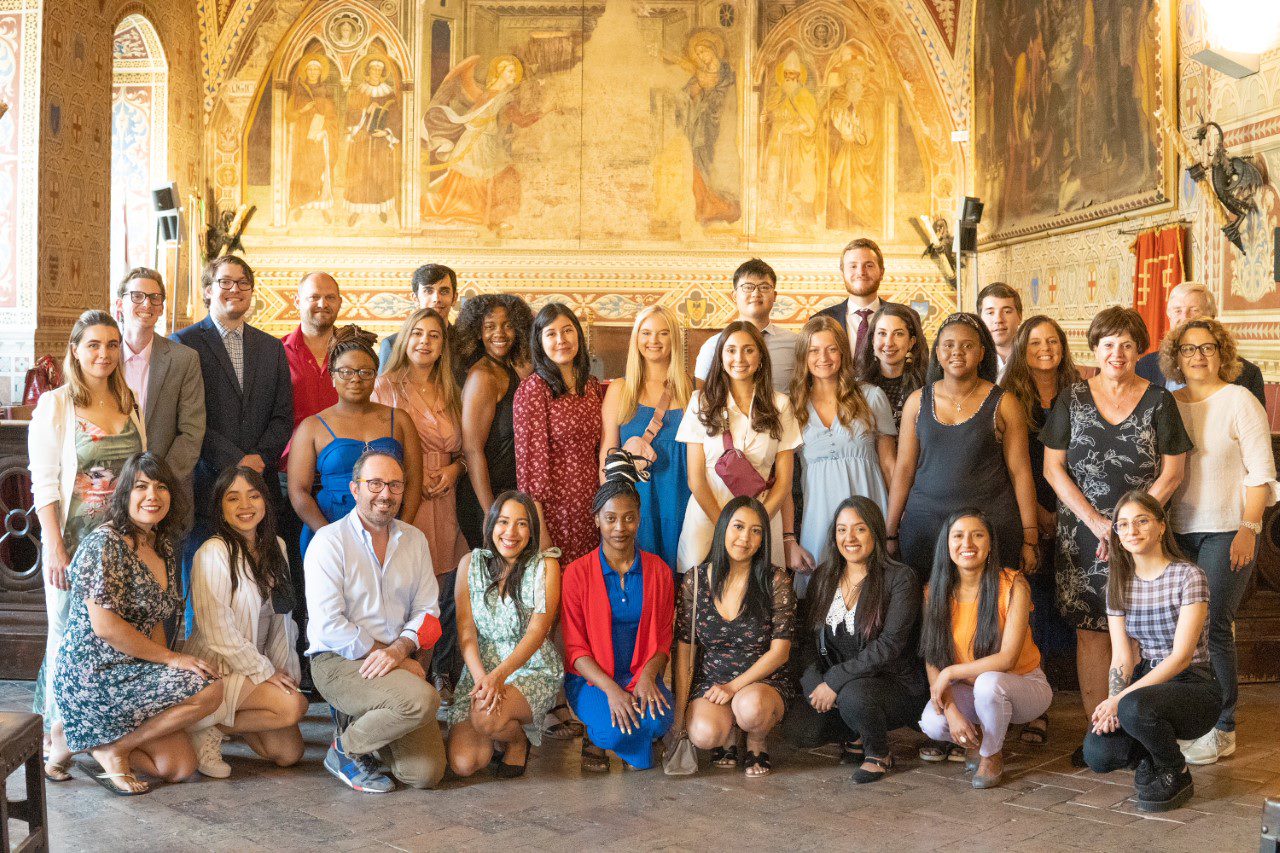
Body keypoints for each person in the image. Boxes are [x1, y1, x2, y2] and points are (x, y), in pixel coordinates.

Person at [1042, 306, 1191, 765]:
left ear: (1139, 348)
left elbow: (1173, 472)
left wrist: (1132, 524)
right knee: (1092, 632)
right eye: (1108, 344)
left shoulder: (1159, 401)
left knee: (1144, 631)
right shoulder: (1072, 397)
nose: (1118, 353)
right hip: (1083, 534)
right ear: (1095, 348)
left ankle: (1141, 728)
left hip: (1143, 534)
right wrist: (1094, 521)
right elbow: (1053, 467)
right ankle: (1100, 730)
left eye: (1127, 344)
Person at [52, 453, 223, 795]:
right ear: (124, 493)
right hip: (93, 675)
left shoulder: (163, 545)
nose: (152, 496)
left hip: (133, 671)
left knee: (178, 767)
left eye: (161, 488)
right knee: (211, 687)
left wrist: (161, 672)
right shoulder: (105, 543)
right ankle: (107, 746)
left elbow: (156, 620)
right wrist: (173, 660)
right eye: (141, 487)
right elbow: (106, 628)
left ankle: (81, 741)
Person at [30, 310, 146, 781]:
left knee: (108, 634)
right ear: (75, 349)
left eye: (112, 345)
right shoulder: (56, 406)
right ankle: (54, 735)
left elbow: (142, 475)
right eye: (94, 344)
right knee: (64, 636)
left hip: (120, 542)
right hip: (73, 541)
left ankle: (95, 729)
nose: (104, 353)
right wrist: (55, 546)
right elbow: (44, 485)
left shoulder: (128, 399)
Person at [1161, 319, 1278, 765]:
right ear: (1176, 357)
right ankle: (1191, 719)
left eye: (1207, 348)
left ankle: (1223, 726)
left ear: (1221, 354)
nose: (1198, 356)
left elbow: (1261, 473)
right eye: (1188, 349)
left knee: (1213, 625)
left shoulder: (1239, 400)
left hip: (1228, 529)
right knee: (1180, 631)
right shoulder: (1168, 403)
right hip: (1176, 532)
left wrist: (1249, 530)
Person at [306, 450, 446, 792]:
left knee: (425, 774)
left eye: (395, 485)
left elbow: (428, 612)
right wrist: (393, 657)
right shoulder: (329, 542)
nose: (386, 494)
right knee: (423, 700)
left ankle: (361, 722)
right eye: (375, 484)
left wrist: (398, 653)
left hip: (393, 661)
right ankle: (345, 750)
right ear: (355, 489)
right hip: (338, 661)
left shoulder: (414, 540)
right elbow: (329, 626)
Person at [172, 255, 294, 631]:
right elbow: (190, 418)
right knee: (207, 585)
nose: (235, 290)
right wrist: (238, 461)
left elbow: (282, 415)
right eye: (225, 282)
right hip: (208, 485)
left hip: (261, 484)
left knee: (259, 587)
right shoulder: (185, 343)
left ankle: (258, 668)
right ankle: (207, 672)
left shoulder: (272, 347)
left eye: (243, 283)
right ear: (208, 290)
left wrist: (259, 458)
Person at [1083, 491, 1220, 812]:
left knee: (1133, 708)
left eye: (1142, 521)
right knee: (1098, 753)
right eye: (1123, 525)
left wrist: (1119, 701)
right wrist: (1113, 705)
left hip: (1193, 686)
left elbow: (1181, 657)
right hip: (1146, 686)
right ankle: (1152, 756)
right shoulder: (1118, 582)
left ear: (1161, 526)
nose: (1131, 530)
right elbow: (1122, 657)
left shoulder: (1189, 576)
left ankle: (1176, 770)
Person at [781, 497, 928, 783]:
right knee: (799, 729)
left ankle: (878, 753)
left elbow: (890, 646)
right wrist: (814, 684)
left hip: (893, 685)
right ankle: (855, 732)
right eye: (841, 529)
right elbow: (809, 640)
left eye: (859, 529)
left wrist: (835, 680)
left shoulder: (900, 578)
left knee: (855, 696)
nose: (849, 538)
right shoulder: (824, 576)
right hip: (842, 686)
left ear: (874, 531)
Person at [887, 313, 1039, 581]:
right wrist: (890, 532)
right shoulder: (917, 402)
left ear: (981, 353)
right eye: (948, 345)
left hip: (990, 529)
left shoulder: (1004, 403)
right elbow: (904, 470)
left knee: (989, 611)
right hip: (925, 528)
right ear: (937, 352)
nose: (957, 351)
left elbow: (1021, 473)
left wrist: (1030, 536)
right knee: (928, 610)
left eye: (967, 346)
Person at [185, 466, 307, 777]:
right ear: (220, 507)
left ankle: (215, 722)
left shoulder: (276, 546)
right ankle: (202, 727)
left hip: (254, 666)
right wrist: (265, 672)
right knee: (293, 706)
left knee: (288, 754)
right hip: (218, 667)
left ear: (265, 501)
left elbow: (283, 620)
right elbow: (218, 632)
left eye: (253, 496)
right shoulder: (213, 552)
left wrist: (282, 670)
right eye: (233, 498)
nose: (245, 506)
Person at [373, 307, 468, 701]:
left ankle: (427, 675)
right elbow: (376, 446)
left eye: (434, 335)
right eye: (417, 334)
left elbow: (467, 449)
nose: (424, 342)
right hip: (404, 498)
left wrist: (454, 471)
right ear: (404, 338)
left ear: (443, 345)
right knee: (402, 591)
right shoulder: (386, 386)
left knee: (439, 598)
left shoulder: (453, 390)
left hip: (445, 500)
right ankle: (395, 680)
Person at [917, 511, 1051, 789]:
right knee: (933, 722)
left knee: (989, 685)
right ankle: (974, 737)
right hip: (969, 689)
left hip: (1024, 686)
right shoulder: (934, 592)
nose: (968, 543)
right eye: (958, 536)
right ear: (947, 544)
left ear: (990, 544)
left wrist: (951, 672)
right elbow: (932, 656)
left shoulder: (1014, 585)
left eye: (977, 535)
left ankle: (991, 753)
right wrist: (952, 711)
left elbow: (1007, 659)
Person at [999, 314, 1080, 744]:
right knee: (1030, 610)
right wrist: (1037, 518)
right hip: (1024, 516)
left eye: (1052, 341)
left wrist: (1064, 513)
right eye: (1034, 343)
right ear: (1021, 349)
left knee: (1065, 612)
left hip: (1073, 514)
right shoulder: (1009, 398)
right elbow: (1011, 467)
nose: (1044, 349)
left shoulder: (1079, 395)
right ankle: (1033, 707)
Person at [673, 497, 795, 777]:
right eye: (738, 527)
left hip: (763, 681)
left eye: (756, 531)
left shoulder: (775, 580)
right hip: (712, 681)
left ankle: (755, 740)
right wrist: (680, 716)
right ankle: (728, 733)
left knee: (751, 708)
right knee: (703, 735)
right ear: (723, 529)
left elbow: (780, 652)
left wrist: (733, 687)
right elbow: (684, 651)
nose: (745, 538)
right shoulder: (696, 579)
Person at [445, 491, 564, 779]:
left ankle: (516, 739)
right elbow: (466, 632)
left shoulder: (545, 566)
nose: (511, 532)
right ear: (491, 525)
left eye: (522, 524)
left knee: (486, 718)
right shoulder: (469, 565)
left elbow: (538, 632)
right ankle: (497, 728)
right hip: (481, 670)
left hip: (530, 666)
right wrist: (482, 679)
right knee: (465, 763)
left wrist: (499, 676)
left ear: (532, 530)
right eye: (504, 522)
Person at [561, 476, 675, 772]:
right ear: (597, 519)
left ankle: (634, 741)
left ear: (639, 519)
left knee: (661, 719)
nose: (620, 528)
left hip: (640, 673)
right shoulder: (576, 573)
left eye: (629, 518)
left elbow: (663, 639)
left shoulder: (659, 571)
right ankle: (604, 738)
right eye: (610, 518)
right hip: (593, 679)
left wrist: (649, 677)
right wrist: (612, 691)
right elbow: (575, 650)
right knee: (613, 730)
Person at [676, 321, 801, 574]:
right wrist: (726, 527)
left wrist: (754, 527)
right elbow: (695, 478)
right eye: (731, 350)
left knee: (759, 598)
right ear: (721, 357)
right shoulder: (701, 402)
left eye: (748, 350)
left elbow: (784, 480)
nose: (739, 358)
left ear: (761, 357)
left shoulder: (780, 405)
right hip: (709, 514)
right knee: (703, 599)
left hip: (763, 516)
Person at [288, 325, 421, 556]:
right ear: (332, 377)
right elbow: (298, 492)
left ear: (375, 376)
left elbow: (414, 484)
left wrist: (399, 532)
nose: (355, 379)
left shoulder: (399, 420)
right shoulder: (312, 427)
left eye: (365, 372)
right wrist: (330, 537)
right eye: (346, 372)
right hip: (329, 532)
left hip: (389, 532)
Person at [787, 316, 896, 591]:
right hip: (819, 521)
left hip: (871, 515)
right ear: (803, 356)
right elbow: (785, 481)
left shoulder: (871, 397)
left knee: (875, 599)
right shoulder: (793, 407)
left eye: (831, 349)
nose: (823, 357)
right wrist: (789, 539)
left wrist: (895, 525)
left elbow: (889, 465)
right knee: (823, 607)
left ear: (843, 353)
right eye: (813, 350)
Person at [598, 305, 693, 573]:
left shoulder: (690, 389)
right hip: (635, 498)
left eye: (663, 333)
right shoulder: (620, 389)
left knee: (681, 573)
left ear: (674, 339)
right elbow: (608, 450)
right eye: (646, 332)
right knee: (638, 573)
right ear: (636, 338)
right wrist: (610, 507)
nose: (654, 341)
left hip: (681, 495)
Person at [279, 271, 343, 662]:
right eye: (314, 297)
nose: (322, 304)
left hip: (341, 477)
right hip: (293, 479)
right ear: (298, 300)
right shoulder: (277, 352)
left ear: (339, 302)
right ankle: (303, 660)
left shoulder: (353, 352)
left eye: (330, 297)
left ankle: (338, 658)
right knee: (298, 571)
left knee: (340, 571)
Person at [114, 268, 205, 534]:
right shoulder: (103, 357)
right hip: (110, 492)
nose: (147, 304)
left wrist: (154, 484)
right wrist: (123, 485)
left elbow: (191, 431)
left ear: (162, 307)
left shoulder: (184, 359)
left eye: (155, 298)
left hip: (166, 498)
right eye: (138, 296)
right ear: (120, 304)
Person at [514, 303, 604, 564]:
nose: (561, 340)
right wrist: (541, 534)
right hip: (554, 515)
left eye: (567, 331)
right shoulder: (533, 390)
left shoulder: (591, 387)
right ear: (539, 341)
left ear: (578, 334)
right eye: (551, 333)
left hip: (592, 510)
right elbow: (530, 471)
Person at [455, 294, 534, 548]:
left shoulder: (506, 368)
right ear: (477, 332)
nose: (499, 333)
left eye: (508, 325)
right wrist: (492, 514)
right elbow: (472, 449)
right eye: (490, 326)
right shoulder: (483, 375)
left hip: (506, 495)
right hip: (485, 498)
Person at [1135, 281, 1266, 408]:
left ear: (1211, 317)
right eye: (1177, 311)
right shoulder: (1144, 368)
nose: (1185, 317)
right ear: (1169, 317)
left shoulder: (1248, 375)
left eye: (1194, 310)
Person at [693, 258, 800, 393]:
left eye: (764, 287)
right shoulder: (714, 345)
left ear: (774, 296)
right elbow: (701, 397)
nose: (756, 293)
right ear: (734, 296)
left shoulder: (795, 344)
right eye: (748, 287)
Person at [814, 238, 909, 358]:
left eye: (869, 265)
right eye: (853, 266)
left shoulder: (906, 316)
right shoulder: (820, 320)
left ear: (881, 272)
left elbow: (920, 367)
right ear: (842, 273)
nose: (861, 272)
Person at [855, 302, 927, 430]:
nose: (889, 343)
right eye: (882, 333)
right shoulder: (856, 388)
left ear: (911, 342)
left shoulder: (926, 388)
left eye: (898, 334)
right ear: (872, 340)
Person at [378, 264, 459, 372]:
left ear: (454, 298)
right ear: (415, 298)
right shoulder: (392, 344)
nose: (436, 298)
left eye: (444, 291)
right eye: (428, 291)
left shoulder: (465, 344)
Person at [977, 282, 1023, 381]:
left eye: (1007, 312)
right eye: (990, 313)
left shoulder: (1034, 358)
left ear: (1020, 316)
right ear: (980, 319)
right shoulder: (972, 361)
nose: (998, 319)